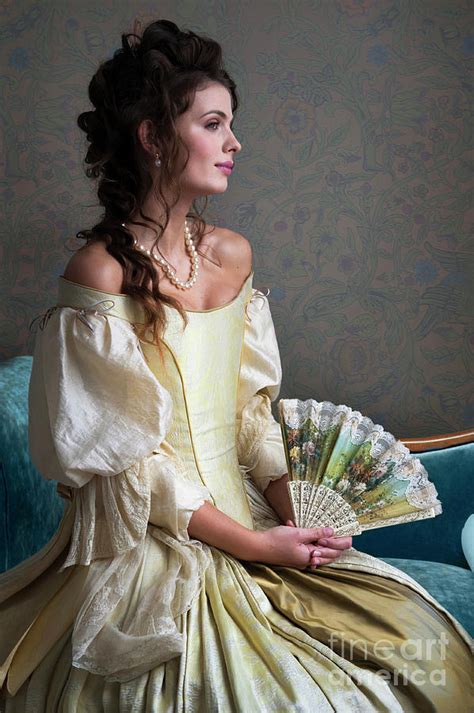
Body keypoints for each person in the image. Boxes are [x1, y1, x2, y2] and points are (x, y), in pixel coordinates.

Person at [0, 18, 471, 713]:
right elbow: (136, 468)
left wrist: (291, 514)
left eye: (232, 124)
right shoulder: (98, 276)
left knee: (421, 652)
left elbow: (251, 415)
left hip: (253, 518)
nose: (234, 143)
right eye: (214, 124)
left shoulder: (232, 255)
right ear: (154, 137)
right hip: (154, 547)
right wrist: (251, 542)